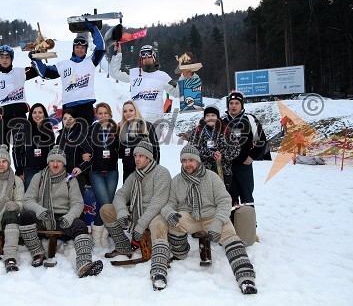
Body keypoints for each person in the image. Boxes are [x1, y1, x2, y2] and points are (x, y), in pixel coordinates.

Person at [160, 144, 257, 294]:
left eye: (191, 160)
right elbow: (169, 203)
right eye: (184, 160)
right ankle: (180, 252)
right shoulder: (177, 181)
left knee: (231, 237)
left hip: (212, 216)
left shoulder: (211, 177)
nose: (187, 164)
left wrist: (218, 222)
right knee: (174, 221)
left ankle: (245, 279)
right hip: (190, 216)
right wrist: (168, 213)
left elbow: (225, 201)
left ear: (198, 161)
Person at [18, 145, 103, 277]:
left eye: (59, 161)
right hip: (43, 215)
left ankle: (84, 264)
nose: (55, 164)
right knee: (24, 216)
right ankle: (37, 252)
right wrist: (39, 209)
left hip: (63, 218)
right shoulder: (38, 177)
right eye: (52, 161)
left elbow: (77, 203)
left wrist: (69, 217)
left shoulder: (70, 179)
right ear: (48, 162)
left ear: (64, 163)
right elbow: (27, 199)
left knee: (80, 225)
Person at [100, 140, 172, 290]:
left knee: (158, 225)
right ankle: (124, 246)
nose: (137, 159)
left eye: (141, 156)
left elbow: (158, 203)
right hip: (136, 212)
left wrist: (140, 226)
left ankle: (159, 269)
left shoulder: (161, 173)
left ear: (149, 158)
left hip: (155, 214)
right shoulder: (134, 175)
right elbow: (120, 195)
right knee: (106, 209)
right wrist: (122, 211)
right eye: (135, 156)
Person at [30, 20, 105, 126]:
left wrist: (93, 28)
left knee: (85, 135)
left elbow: (101, 48)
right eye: (77, 47)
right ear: (73, 48)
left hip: (86, 105)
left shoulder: (90, 61)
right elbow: (45, 73)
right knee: (70, 138)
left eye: (83, 48)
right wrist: (36, 59)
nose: (80, 50)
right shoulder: (63, 65)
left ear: (86, 50)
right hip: (69, 107)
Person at [109, 43, 179, 128]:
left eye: (149, 57)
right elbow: (114, 73)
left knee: (151, 141)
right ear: (141, 60)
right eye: (144, 58)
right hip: (137, 119)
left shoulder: (163, 76)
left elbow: (176, 93)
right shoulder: (134, 73)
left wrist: (186, 78)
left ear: (154, 58)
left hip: (155, 121)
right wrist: (118, 53)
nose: (146, 59)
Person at [222, 91, 267, 209]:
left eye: (237, 103)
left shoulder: (250, 120)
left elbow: (261, 141)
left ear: (242, 105)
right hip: (228, 167)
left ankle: (249, 225)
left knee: (247, 198)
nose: (233, 106)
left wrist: (252, 156)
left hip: (244, 166)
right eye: (231, 103)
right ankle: (232, 225)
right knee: (230, 199)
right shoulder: (222, 122)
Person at [180, 105, 240, 190]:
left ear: (217, 117)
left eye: (213, 115)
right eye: (207, 116)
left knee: (221, 198)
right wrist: (211, 154)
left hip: (223, 171)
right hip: (202, 172)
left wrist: (222, 155)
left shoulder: (227, 131)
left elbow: (236, 149)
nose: (210, 118)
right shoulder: (197, 131)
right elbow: (192, 150)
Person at [87, 102, 119, 246]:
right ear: (96, 115)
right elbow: (85, 148)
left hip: (112, 172)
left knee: (108, 204)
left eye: (105, 113)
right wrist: (84, 156)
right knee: (105, 203)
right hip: (96, 172)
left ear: (110, 114)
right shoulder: (91, 130)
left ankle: (104, 234)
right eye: (100, 113)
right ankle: (97, 234)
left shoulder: (116, 130)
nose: (103, 116)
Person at [13, 103, 56, 189]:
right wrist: (19, 171)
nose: (37, 115)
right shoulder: (24, 129)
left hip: (46, 170)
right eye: (34, 112)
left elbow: (52, 150)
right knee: (29, 197)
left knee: (45, 196)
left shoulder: (48, 130)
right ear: (31, 114)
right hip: (29, 170)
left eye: (40, 112)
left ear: (44, 114)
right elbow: (16, 150)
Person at [118, 100, 159, 182]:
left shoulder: (146, 126)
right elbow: (120, 153)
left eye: (131, 110)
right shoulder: (122, 129)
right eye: (125, 111)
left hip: (144, 171)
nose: (128, 113)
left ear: (136, 111)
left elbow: (156, 150)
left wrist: (155, 169)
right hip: (128, 172)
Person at [56, 108, 94, 192]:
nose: (67, 121)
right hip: (61, 177)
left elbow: (91, 155)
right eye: (65, 119)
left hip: (76, 177)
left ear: (75, 120)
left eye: (70, 118)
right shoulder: (59, 137)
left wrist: (80, 167)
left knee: (75, 203)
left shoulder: (80, 136)